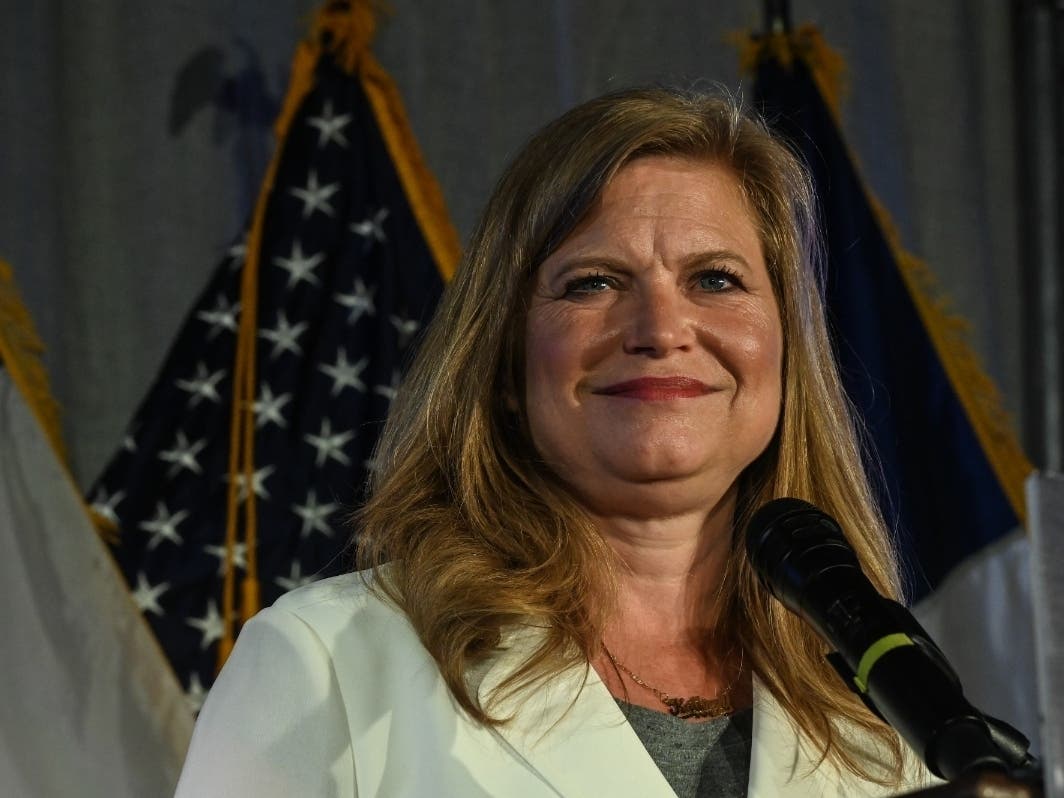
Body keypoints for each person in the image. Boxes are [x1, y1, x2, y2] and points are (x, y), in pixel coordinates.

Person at [174, 87, 936, 797]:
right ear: (505, 361)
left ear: (784, 351)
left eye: (716, 279)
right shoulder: (328, 665)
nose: (662, 330)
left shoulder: (889, 706)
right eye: (593, 283)